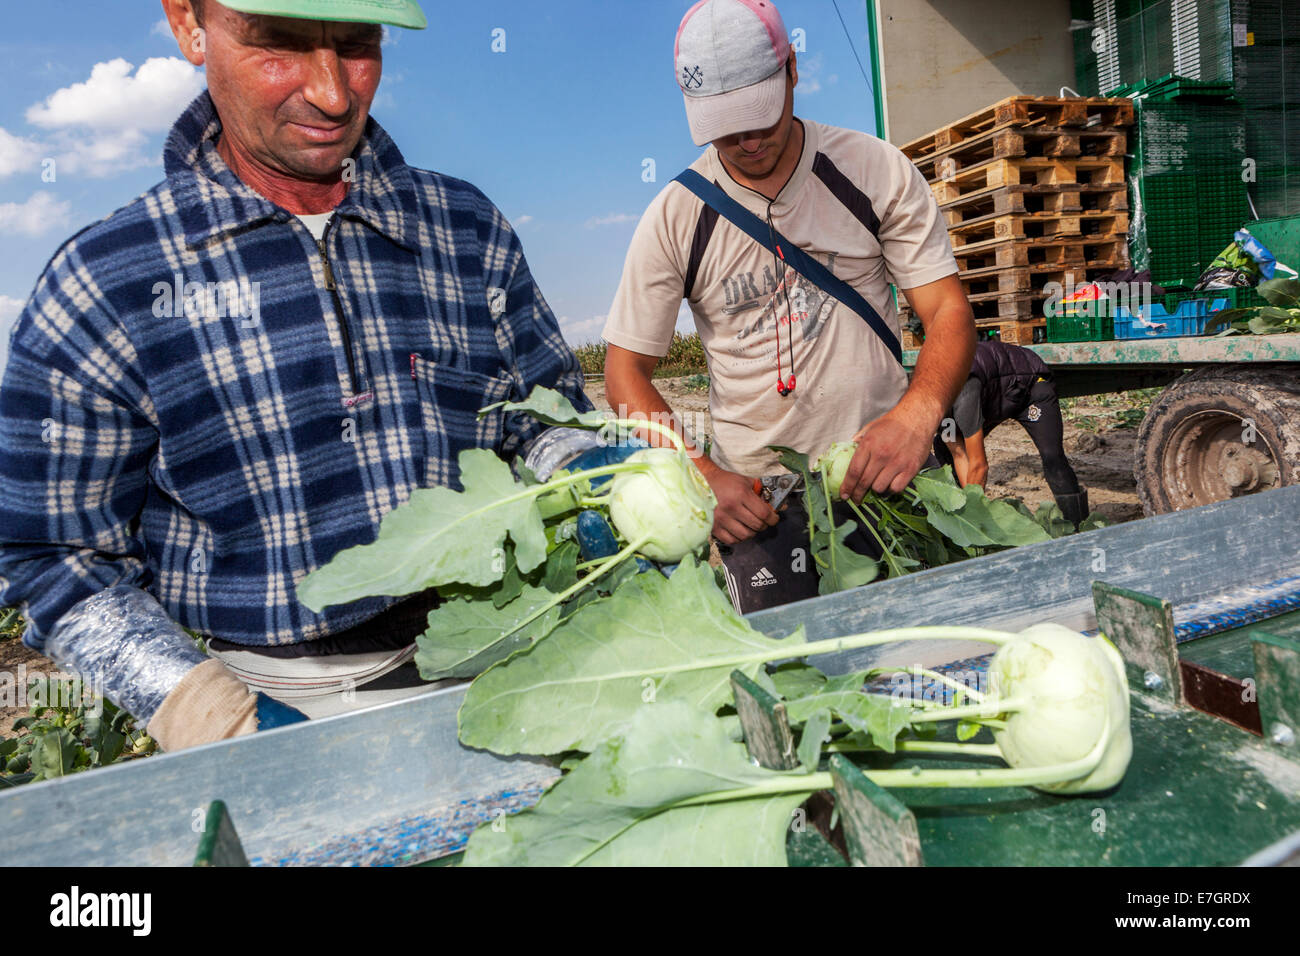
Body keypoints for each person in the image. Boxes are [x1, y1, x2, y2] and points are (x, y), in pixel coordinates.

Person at [0, 0, 590, 750]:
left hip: (504, 653)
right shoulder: (107, 282)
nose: (333, 93)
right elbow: (55, 556)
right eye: (278, 44)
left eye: (356, 45)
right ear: (187, 23)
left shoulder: (463, 230)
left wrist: (593, 474)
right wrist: (212, 712)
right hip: (275, 695)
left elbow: (540, 421)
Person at [601, 0, 975, 611]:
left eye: (758, 117)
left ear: (792, 70)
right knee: (790, 681)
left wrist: (916, 418)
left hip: (886, 477)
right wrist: (700, 474)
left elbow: (949, 314)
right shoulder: (675, 216)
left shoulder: (874, 171)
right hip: (759, 506)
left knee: (919, 660)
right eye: (725, 126)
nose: (746, 141)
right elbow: (624, 372)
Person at [943, 339, 1089, 526]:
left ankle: (1079, 526)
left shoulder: (963, 397)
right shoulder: (938, 414)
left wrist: (974, 511)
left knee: (1052, 456)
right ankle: (958, 517)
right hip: (994, 395)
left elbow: (979, 465)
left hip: (1030, 386)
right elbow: (959, 454)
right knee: (943, 449)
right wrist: (971, 503)